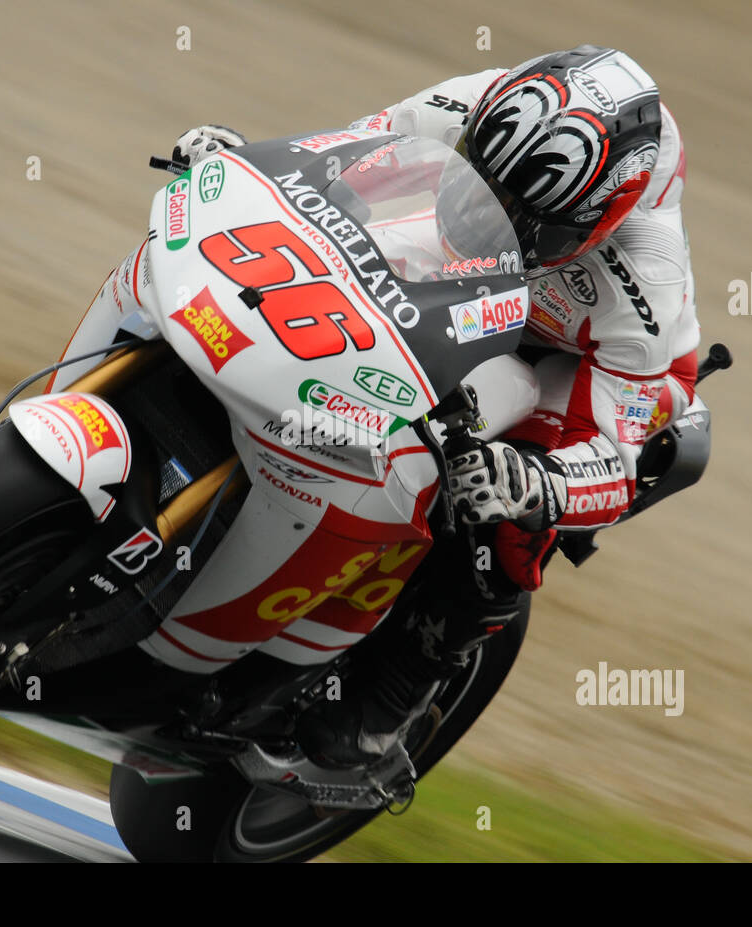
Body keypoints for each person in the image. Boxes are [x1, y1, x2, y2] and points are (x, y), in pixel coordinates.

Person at [168, 45, 702, 768]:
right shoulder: (469, 102)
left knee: (503, 509)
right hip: (472, 289)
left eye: (531, 219)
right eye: (487, 182)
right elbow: (335, 162)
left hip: (578, 369)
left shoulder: (648, 276)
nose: (502, 215)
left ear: (599, 221)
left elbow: (616, 450)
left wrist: (545, 483)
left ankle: (403, 683)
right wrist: (241, 169)